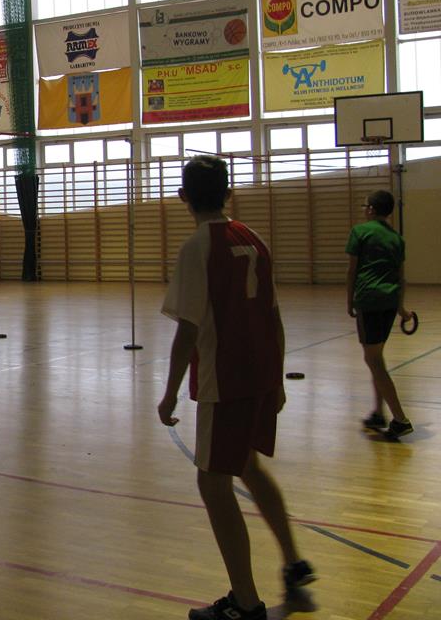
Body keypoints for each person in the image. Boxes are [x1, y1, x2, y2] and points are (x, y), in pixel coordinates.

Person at [158, 156, 313, 620]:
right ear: (229, 193)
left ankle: (245, 602)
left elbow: (188, 330)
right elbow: (274, 315)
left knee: (212, 482)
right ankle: (293, 561)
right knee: (248, 465)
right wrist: (277, 378)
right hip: (261, 373)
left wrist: (169, 392)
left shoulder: (197, 248)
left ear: (183, 197)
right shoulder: (254, 238)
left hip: (225, 381)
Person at [346, 189, 414, 440]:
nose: (364, 209)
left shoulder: (360, 232)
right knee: (376, 357)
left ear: (371, 209)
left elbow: (352, 271)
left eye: (365, 205)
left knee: (373, 361)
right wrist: (401, 308)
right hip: (389, 302)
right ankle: (378, 412)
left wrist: (350, 301)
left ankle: (400, 419)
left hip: (370, 300)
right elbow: (401, 277)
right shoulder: (396, 238)